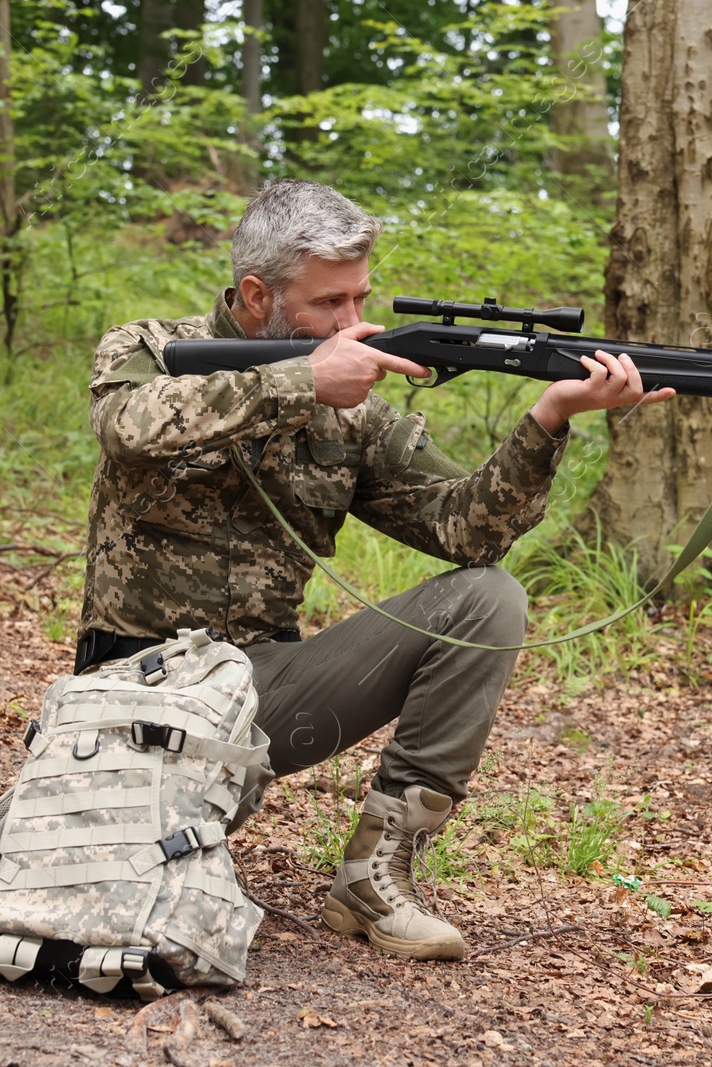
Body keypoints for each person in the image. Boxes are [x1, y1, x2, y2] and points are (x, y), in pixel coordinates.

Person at [75, 180, 672, 960]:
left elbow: (464, 529)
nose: (355, 323)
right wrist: (298, 382)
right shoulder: (149, 348)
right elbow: (128, 426)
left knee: (486, 599)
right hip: (133, 692)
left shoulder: (354, 408)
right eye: (330, 304)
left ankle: (373, 874)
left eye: (361, 297)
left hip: (255, 697)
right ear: (258, 294)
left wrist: (550, 417)